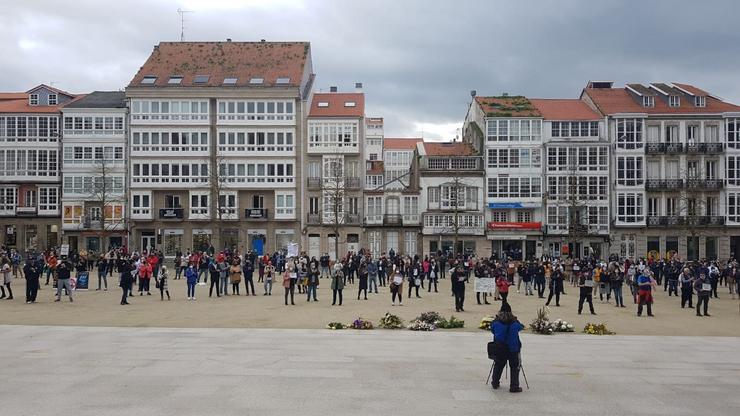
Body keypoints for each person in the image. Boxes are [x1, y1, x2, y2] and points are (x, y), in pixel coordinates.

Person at [489, 303, 524, 393]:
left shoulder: (496, 322)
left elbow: (492, 329)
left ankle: (495, 382)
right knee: (515, 367)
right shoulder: (514, 322)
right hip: (513, 348)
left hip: (500, 347)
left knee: (498, 365)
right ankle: (514, 386)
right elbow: (520, 327)